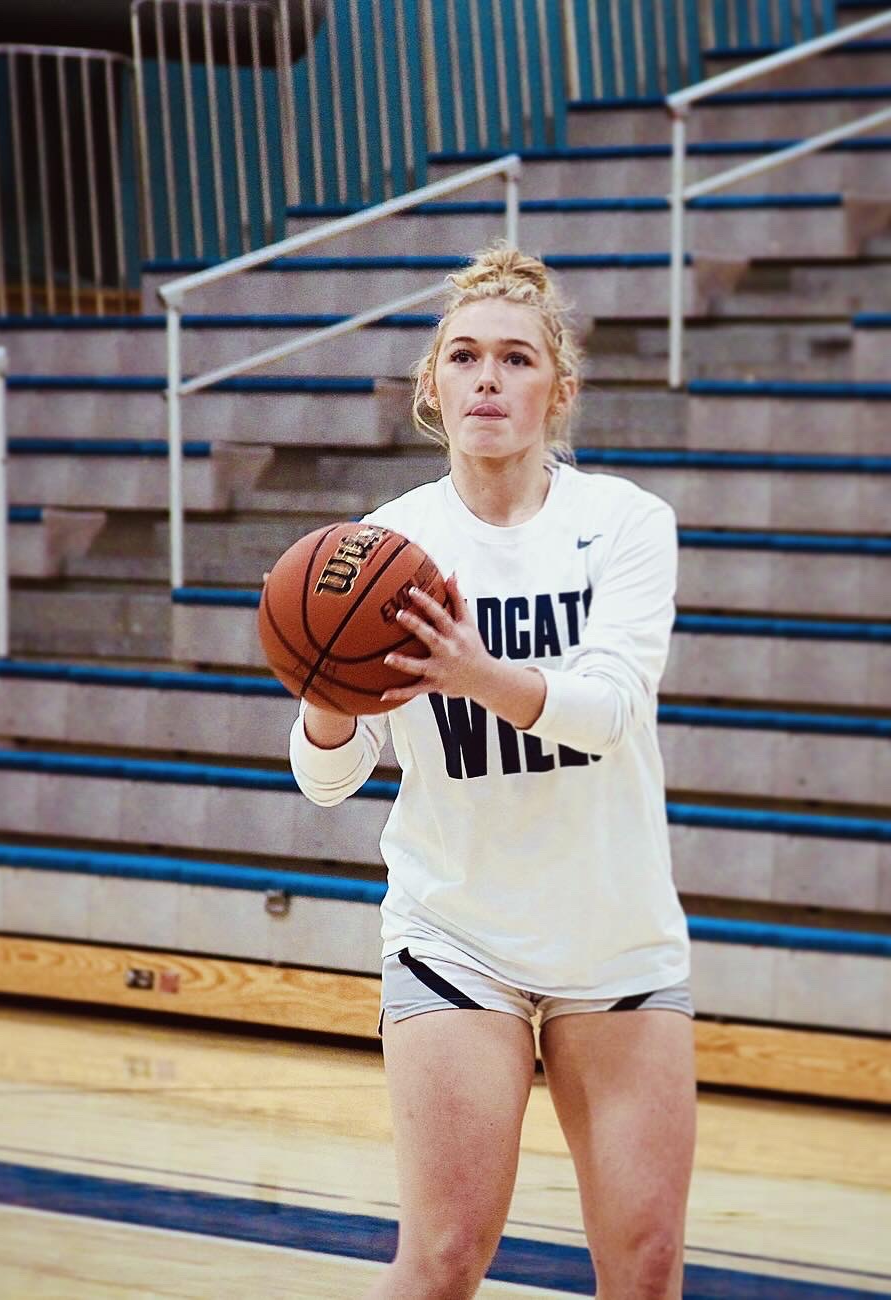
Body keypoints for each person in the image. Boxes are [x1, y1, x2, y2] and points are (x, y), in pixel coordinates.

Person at [288, 243, 695, 1300]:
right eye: (464, 355)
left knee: (646, 1272)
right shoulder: (385, 544)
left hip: (616, 937)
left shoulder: (624, 525)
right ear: (432, 385)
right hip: (455, 932)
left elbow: (607, 710)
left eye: (516, 359)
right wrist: (327, 689)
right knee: (440, 1262)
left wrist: (475, 671)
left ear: (559, 392)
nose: (486, 377)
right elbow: (328, 778)